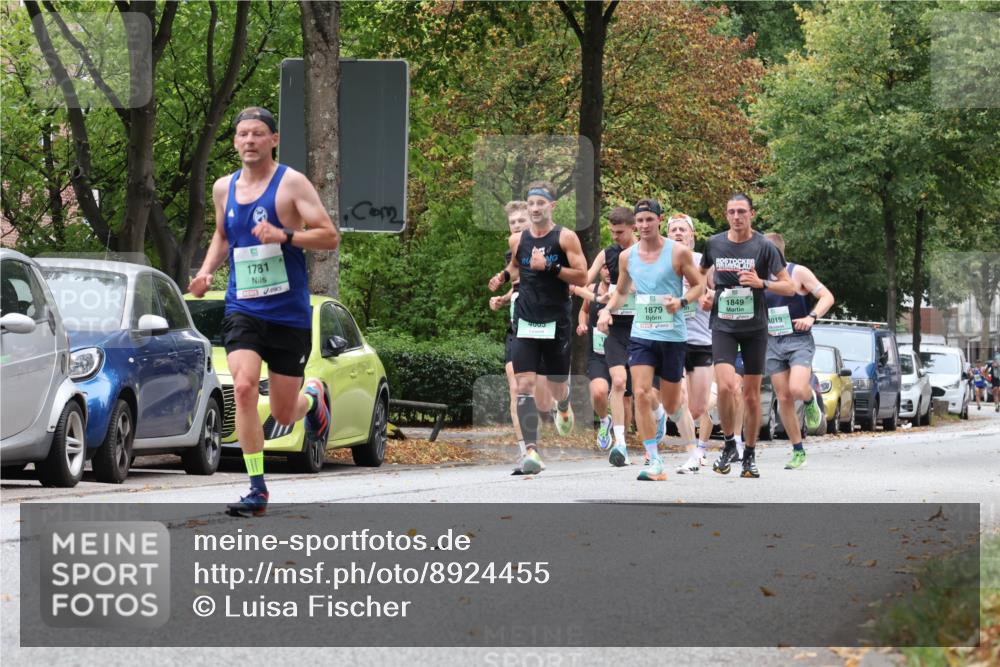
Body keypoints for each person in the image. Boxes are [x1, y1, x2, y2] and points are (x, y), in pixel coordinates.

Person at [188, 107, 340, 516]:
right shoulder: (224, 188)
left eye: (258, 133)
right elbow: (223, 235)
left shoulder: (292, 183)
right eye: (243, 134)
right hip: (243, 307)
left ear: (274, 140)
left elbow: (329, 237)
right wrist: (205, 272)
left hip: (288, 313)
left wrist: (285, 235)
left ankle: (313, 399)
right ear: (235, 141)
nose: (249, 140)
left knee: (284, 412)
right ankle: (257, 488)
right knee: (243, 388)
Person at [597, 199, 704, 481]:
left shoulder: (678, 252)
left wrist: (681, 302)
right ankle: (654, 460)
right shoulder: (627, 257)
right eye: (640, 220)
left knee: (671, 404)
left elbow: (699, 286)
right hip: (642, 333)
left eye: (649, 219)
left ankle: (692, 450)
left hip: (672, 336)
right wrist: (607, 310)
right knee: (642, 394)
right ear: (635, 223)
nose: (644, 225)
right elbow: (621, 292)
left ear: (659, 219)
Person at [493, 180, 587, 474]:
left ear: (552, 206)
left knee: (557, 386)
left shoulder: (565, 237)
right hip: (525, 320)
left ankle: (564, 403)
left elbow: (582, 276)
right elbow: (516, 266)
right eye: (531, 203)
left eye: (540, 203)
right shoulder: (518, 240)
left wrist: (551, 266)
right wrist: (502, 277)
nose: (535, 209)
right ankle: (531, 451)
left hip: (556, 322)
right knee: (523, 386)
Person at [699, 193, 793, 479]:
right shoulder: (714, 243)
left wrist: (761, 282)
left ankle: (749, 454)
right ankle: (730, 442)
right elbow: (700, 273)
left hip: (754, 329)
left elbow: (789, 286)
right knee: (726, 387)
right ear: (726, 215)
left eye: (742, 211)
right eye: (731, 212)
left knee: (751, 396)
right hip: (723, 326)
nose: (736, 217)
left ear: (752, 214)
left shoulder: (764, 246)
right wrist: (706, 294)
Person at [762, 232, 835, 470]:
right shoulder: (758, 277)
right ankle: (797, 450)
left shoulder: (798, 272)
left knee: (795, 388)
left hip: (798, 340)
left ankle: (810, 399)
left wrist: (811, 317)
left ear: (777, 253)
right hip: (772, 341)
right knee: (783, 396)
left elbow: (827, 296)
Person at [584, 207, 649, 456]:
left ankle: (657, 421)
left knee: (645, 392)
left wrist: (637, 290)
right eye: (611, 231)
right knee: (618, 383)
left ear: (633, 228)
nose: (614, 236)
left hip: (643, 327)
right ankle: (619, 442)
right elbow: (584, 280)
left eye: (619, 232)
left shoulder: (648, 252)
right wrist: (597, 299)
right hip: (615, 328)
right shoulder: (608, 253)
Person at [667, 213, 715, 474]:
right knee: (679, 399)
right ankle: (691, 453)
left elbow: (722, 291)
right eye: (673, 229)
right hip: (671, 338)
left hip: (700, 339)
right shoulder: (662, 263)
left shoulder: (702, 262)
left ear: (692, 236)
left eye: (682, 229)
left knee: (697, 408)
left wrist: (711, 296)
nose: (677, 233)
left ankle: (715, 401)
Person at [489, 201, 530, 457]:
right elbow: (517, 286)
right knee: (515, 389)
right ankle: (526, 452)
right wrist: (502, 300)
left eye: (521, 221)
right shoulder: (510, 254)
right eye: (512, 222)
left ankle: (562, 400)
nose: (516, 225)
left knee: (543, 389)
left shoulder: (550, 247)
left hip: (543, 326)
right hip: (516, 328)